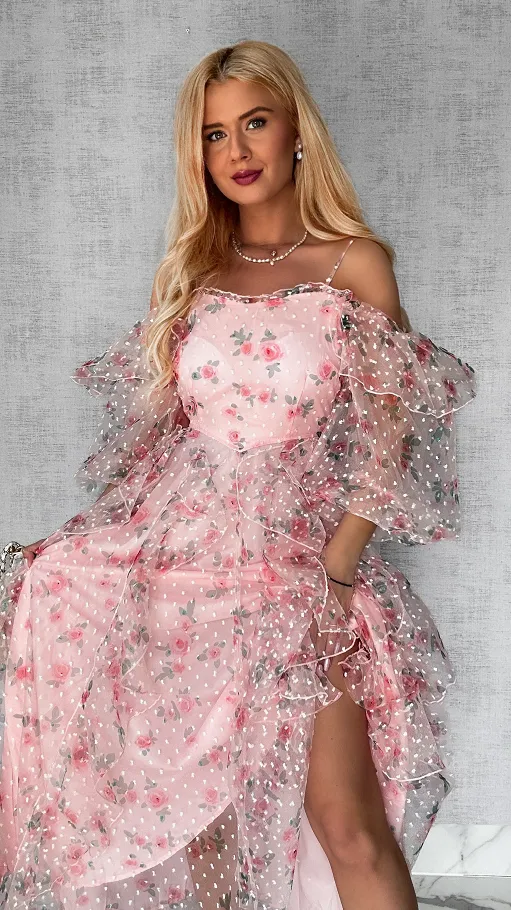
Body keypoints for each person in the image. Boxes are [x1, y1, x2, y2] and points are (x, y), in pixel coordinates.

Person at [0, 39, 477, 910]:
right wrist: (79, 547)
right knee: (206, 822)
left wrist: (336, 573)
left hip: (295, 569)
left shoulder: (352, 263)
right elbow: (157, 452)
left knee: (346, 824)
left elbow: (388, 441)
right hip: (182, 574)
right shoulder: (192, 275)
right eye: (214, 135)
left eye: (254, 123)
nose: (237, 151)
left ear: (296, 130)